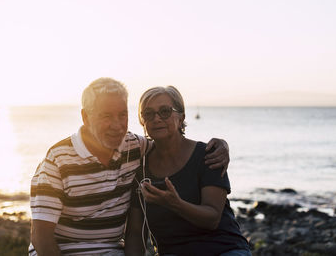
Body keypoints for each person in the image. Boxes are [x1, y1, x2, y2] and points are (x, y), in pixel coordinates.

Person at [29, 78, 230, 256]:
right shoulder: (57, 161)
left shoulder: (134, 147)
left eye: (122, 115)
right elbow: (41, 238)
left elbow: (170, 145)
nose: (117, 125)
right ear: (86, 117)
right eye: (106, 116)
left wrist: (221, 145)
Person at [125, 86, 251, 256]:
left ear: (181, 117)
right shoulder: (140, 169)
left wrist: (175, 204)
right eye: (148, 114)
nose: (156, 118)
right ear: (143, 121)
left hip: (224, 249)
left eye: (164, 111)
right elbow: (134, 233)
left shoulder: (208, 155)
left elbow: (212, 219)